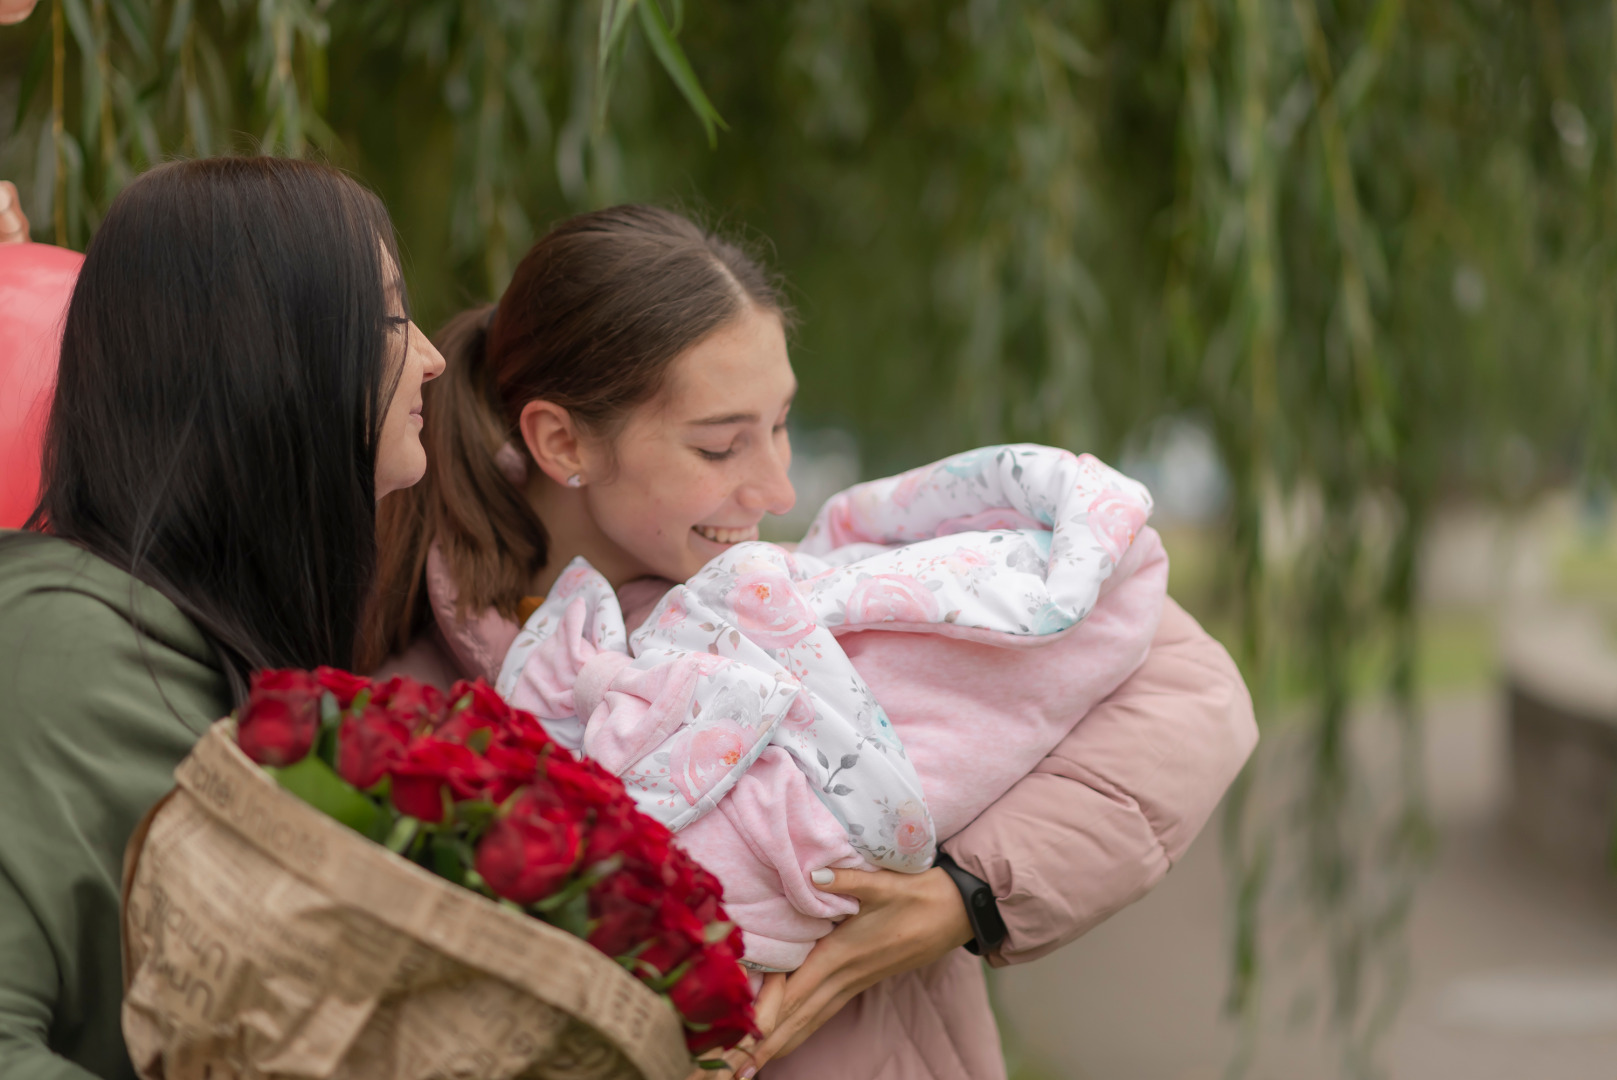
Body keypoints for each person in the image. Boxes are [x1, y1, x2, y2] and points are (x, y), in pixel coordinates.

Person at [365, 204, 1256, 1078]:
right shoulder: (418, 721)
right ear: (561, 440)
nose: (778, 490)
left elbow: (1193, 690)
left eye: (781, 423)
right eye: (720, 448)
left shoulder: (812, 584)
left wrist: (965, 896)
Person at [0, 156, 445, 1080]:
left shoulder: (195, 651)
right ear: (271, 355)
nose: (432, 358)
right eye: (393, 318)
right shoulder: (59, 660)